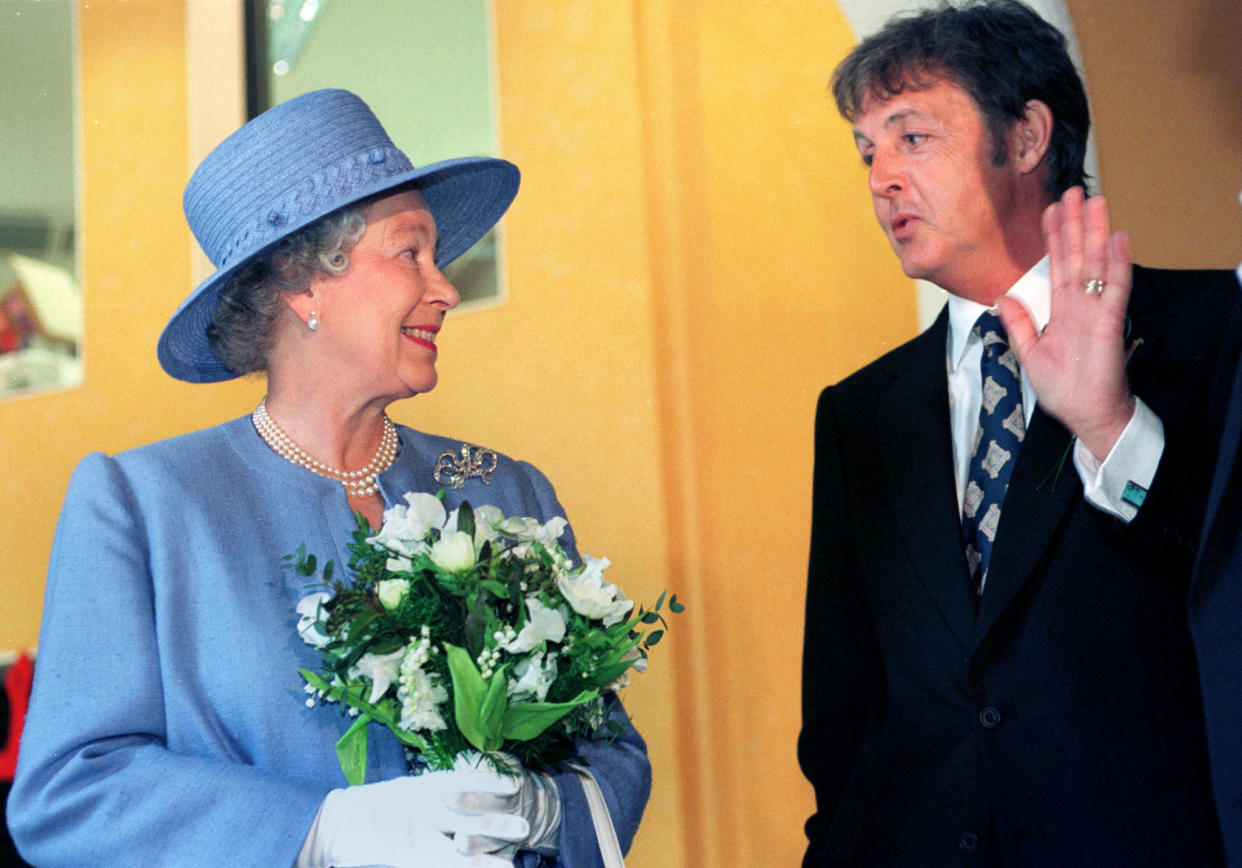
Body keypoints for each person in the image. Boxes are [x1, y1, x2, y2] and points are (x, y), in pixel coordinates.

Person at [7, 89, 650, 867]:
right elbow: (71, 791)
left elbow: (612, 754)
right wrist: (317, 833)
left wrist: (546, 810)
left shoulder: (503, 492)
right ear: (303, 282)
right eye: (410, 251)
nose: (445, 287)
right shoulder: (142, 507)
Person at [798, 2, 1242, 864]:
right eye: (867, 151)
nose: (881, 177)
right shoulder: (859, 412)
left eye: (911, 137)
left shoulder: (1211, 330)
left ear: (1029, 135)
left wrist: (1109, 425)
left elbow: (1223, 592)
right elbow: (844, 717)